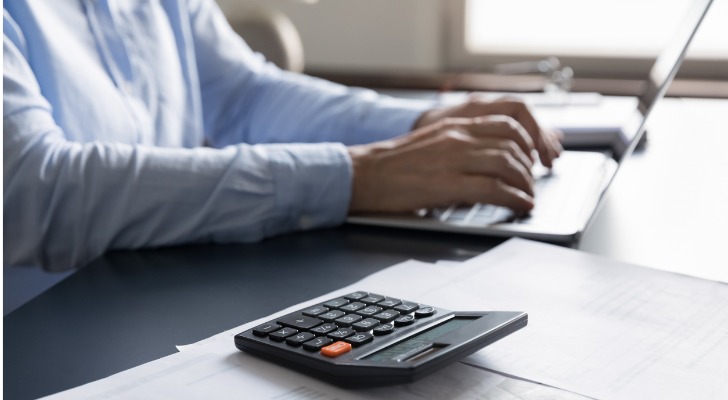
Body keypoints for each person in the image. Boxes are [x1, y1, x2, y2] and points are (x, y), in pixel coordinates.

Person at [3, 0, 561, 271]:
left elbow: (243, 95)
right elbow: (38, 193)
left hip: (150, 286)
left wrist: (421, 128)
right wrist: (356, 175)